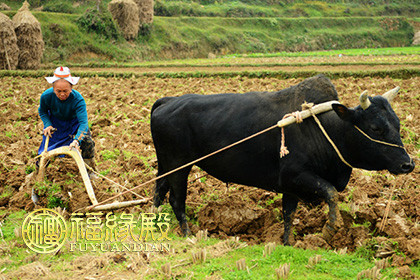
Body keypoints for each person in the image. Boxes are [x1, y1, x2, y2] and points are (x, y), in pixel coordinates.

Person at [37, 66, 96, 176]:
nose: (62, 94)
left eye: (65, 91)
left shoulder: (78, 100)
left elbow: (83, 123)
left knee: (88, 143)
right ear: (53, 88)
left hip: (74, 124)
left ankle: (90, 170)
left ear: (71, 87)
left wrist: (77, 140)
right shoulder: (46, 96)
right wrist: (48, 124)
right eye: (58, 91)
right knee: (45, 153)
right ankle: (39, 176)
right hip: (56, 125)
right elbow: (43, 111)